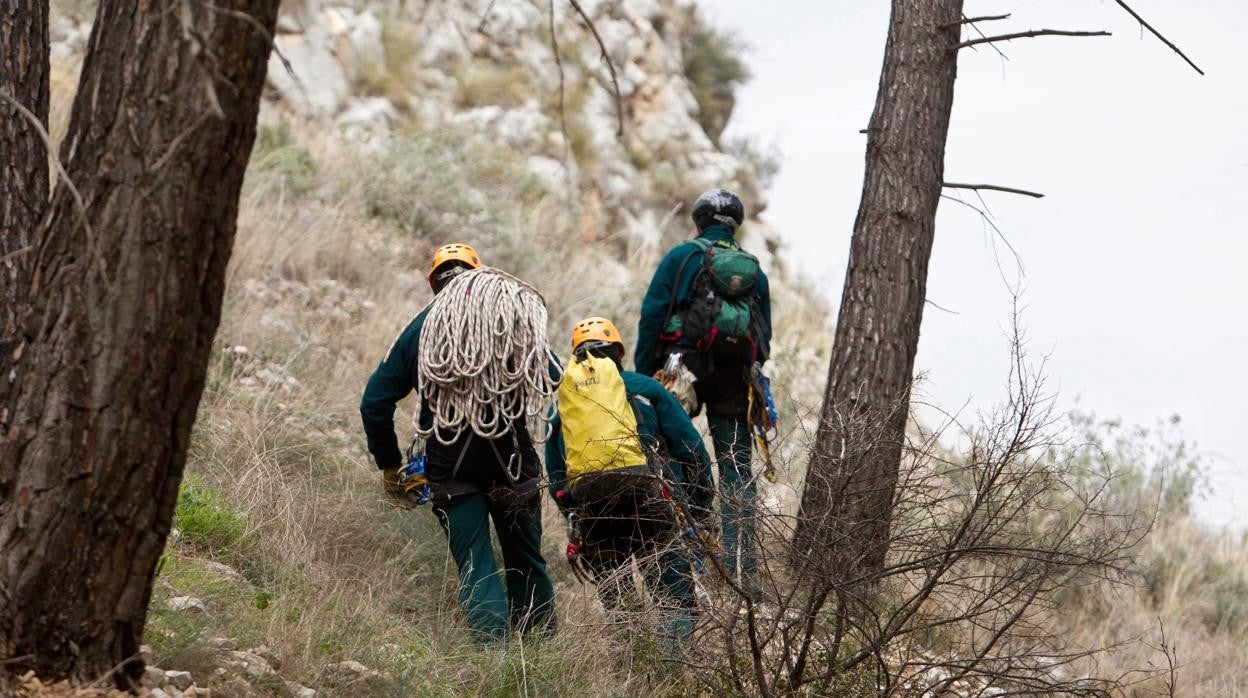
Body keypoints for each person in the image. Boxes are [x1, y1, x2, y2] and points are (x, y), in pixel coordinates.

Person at [360, 243, 557, 642]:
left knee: (473, 559)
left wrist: (389, 464)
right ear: (478, 273)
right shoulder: (511, 315)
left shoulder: (421, 328)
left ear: (435, 284)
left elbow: (374, 403)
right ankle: (539, 650)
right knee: (525, 558)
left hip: (450, 458)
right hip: (511, 454)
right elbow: (552, 375)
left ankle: (492, 656)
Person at [634, 189, 772, 595]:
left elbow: (651, 316)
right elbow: (764, 336)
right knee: (735, 469)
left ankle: (678, 558)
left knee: (671, 452)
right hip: (735, 375)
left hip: (682, 368)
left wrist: (645, 378)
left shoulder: (682, 257)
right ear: (735, 225)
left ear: (699, 221)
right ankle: (741, 574)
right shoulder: (754, 271)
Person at [545, 317, 714, 645]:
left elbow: (557, 481)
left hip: (594, 510)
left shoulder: (562, 405)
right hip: (651, 499)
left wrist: (574, 518)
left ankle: (631, 670)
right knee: (673, 594)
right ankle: (672, 672)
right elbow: (692, 451)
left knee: (619, 603)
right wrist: (701, 506)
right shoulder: (646, 389)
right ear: (618, 353)